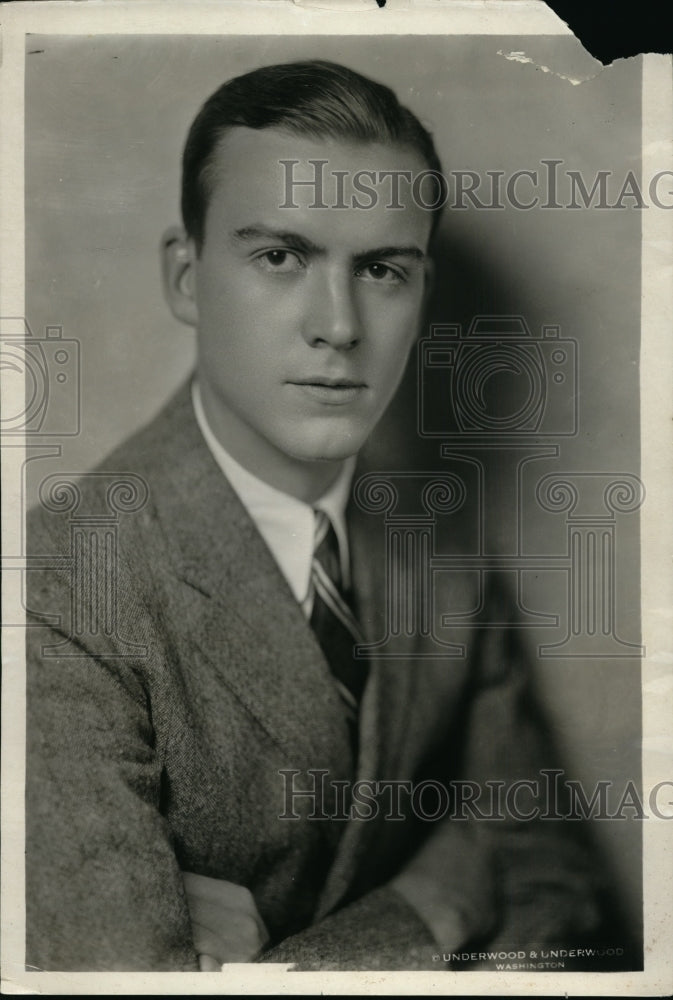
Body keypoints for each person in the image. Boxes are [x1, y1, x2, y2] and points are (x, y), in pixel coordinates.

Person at [26, 59, 607, 972]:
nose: (338, 325)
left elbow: (551, 874)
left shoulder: (439, 538)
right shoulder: (61, 583)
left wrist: (286, 969)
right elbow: (120, 981)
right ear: (186, 277)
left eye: (381, 269)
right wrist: (436, 901)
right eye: (280, 256)